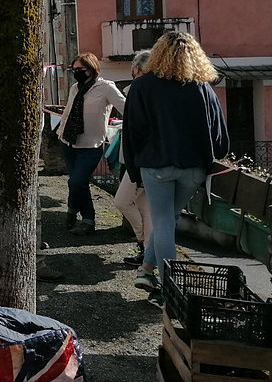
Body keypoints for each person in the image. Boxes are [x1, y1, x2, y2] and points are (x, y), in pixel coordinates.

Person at [122, 31, 229, 304]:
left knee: (163, 222)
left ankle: (170, 290)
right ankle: (146, 270)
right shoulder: (202, 87)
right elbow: (219, 133)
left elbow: (132, 132)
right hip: (193, 167)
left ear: (158, 54)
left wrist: (135, 171)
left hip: (156, 165)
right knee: (168, 218)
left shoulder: (143, 86)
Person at [56, 52, 126, 236]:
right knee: (78, 183)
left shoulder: (106, 87)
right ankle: (87, 220)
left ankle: (73, 209)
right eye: (74, 69)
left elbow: (126, 108)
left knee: (76, 181)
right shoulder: (75, 88)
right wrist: (60, 132)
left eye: (80, 69)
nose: (76, 72)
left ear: (91, 68)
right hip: (68, 141)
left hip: (91, 145)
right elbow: (68, 112)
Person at [113, 49, 153, 266]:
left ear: (138, 69)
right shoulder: (145, 90)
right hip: (143, 158)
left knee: (122, 201)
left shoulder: (141, 91)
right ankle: (146, 250)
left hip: (141, 159)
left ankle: (143, 241)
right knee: (145, 207)